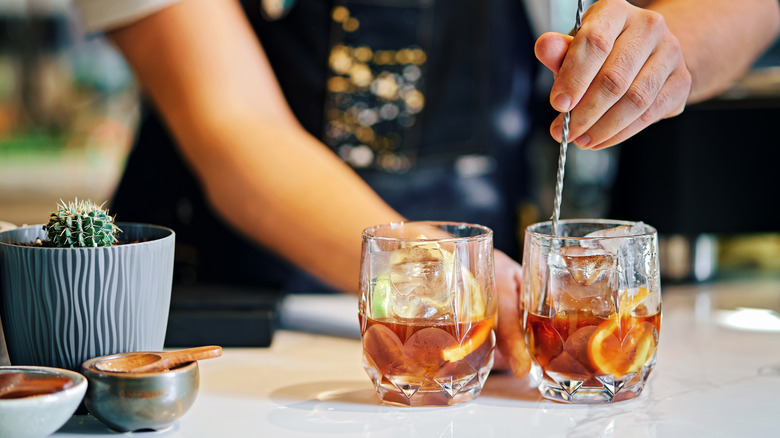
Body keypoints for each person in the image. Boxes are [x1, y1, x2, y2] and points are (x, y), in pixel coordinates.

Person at [73, 0, 779, 379]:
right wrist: (442, 275)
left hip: (487, 334)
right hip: (228, 325)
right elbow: (234, 129)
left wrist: (665, 52)